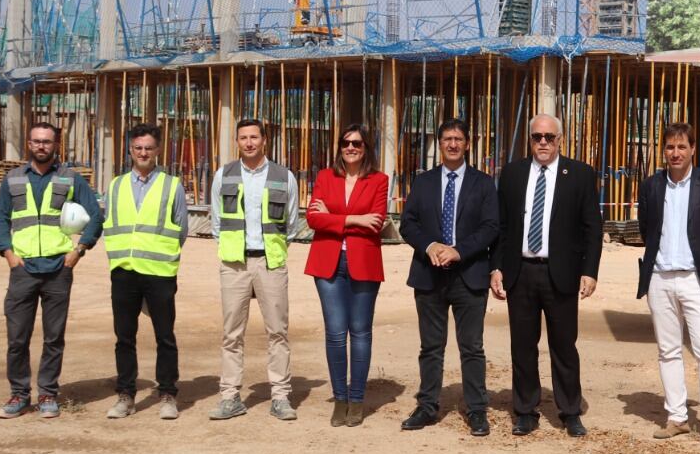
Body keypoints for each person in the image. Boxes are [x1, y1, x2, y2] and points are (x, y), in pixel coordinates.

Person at [491, 114, 604, 437]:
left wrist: (589, 271)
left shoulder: (580, 175)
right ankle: (525, 410)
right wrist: (495, 267)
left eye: (549, 137)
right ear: (529, 140)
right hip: (520, 272)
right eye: (537, 137)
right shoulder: (512, 174)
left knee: (564, 345)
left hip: (562, 273)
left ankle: (570, 411)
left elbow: (592, 229)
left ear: (560, 140)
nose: (543, 142)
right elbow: (501, 226)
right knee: (523, 345)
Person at [0, 121, 102, 419]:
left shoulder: (70, 179)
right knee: (17, 336)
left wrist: (79, 250)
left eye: (47, 142)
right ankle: (18, 393)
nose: (42, 146)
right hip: (23, 269)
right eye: (37, 141)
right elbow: (1, 217)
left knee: (54, 336)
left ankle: (47, 393)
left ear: (56, 145)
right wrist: (7, 252)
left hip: (58, 268)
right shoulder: (13, 179)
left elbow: (96, 216)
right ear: (29, 143)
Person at [636, 122, 700, 449]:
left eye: (681, 147)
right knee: (668, 351)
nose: (675, 153)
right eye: (669, 147)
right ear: (663, 151)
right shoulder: (651, 186)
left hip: (696, 279)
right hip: (660, 279)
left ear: (694, 149)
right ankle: (676, 417)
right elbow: (646, 229)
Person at [399, 118, 500, 436]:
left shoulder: (483, 184)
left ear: (468, 144)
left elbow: (490, 227)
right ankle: (427, 406)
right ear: (439, 144)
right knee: (431, 347)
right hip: (429, 274)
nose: (453, 144)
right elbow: (408, 222)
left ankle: (477, 409)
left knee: (471, 346)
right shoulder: (423, 182)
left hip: (468, 274)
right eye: (447, 139)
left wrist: (458, 251)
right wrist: (430, 245)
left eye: (458, 139)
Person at [210, 119, 301, 421]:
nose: (249, 143)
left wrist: (270, 250)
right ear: (237, 141)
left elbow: (289, 221)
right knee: (231, 333)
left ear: (264, 140)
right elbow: (217, 222)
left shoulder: (283, 176)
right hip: (234, 263)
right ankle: (230, 396)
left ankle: (280, 396)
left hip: (270, 263)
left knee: (278, 331)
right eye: (243, 138)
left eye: (254, 137)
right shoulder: (223, 175)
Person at [305, 123, 390, 427]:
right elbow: (313, 218)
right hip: (328, 263)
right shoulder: (325, 177)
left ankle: (356, 399)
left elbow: (376, 222)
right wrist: (355, 218)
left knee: (361, 332)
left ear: (366, 148)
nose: (351, 148)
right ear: (339, 146)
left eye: (357, 143)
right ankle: (339, 399)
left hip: (363, 262)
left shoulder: (379, 180)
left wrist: (333, 216)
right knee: (336, 333)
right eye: (346, 143)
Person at [103, 123, 188, 421]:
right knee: (124, 337)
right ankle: (125, 394)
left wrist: (160, 257)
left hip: (159, 271)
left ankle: (167, 393)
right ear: (130, 150)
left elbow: (181, 229)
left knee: (165, 336)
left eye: (148, 148)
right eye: (138, 147)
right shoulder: (115, 186)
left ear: (157, 150)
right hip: (124, 271)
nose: (143, 152)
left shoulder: (171, 185)